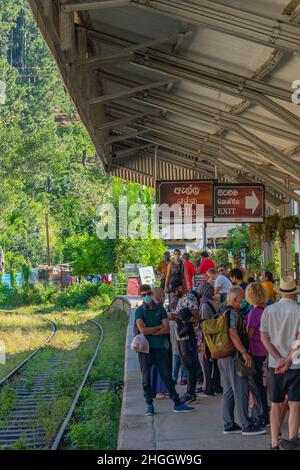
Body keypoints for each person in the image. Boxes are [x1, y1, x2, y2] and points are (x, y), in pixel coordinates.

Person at [135, 284, 194, 415]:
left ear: (152, 293)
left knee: (167, 377)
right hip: (145, 350)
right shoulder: (139, 311)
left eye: (148, 294)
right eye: (143, 295)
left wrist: (150, 331)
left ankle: (177, 403)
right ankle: (149, 404)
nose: (147, 297)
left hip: (160, 348)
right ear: (141, 296)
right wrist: (157, 328)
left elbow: (166, 328)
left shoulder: (160, 308)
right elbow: (142, 330)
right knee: (146, 379)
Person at [218, 286, 267, 436]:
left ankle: (229, 424)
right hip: (234, 357)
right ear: (234, 299)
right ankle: (246, 425)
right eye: (241, 298)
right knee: (241, 390)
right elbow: (233, 334)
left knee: (228, 391)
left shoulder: (222, 311)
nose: (243, 301)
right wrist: (244, 352)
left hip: (223, 356)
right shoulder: (232, 313)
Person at [260, 276, 300, 450]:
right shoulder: (299, 311)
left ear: (280, 292)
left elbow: (264, 338)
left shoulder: (268, 310)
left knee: (275, 404)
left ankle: (275, 442)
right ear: (294, 293)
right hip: (296, 364)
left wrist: (278, 359)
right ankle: (291, 439)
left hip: (274, 365)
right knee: (295, 404)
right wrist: (288, 359)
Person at [169, 279, 200, 404]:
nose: (173, 293)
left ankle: (191, 393)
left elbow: (196, 316)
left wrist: (176, 316)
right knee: (186, 364)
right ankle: (189, 391)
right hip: (181, 336)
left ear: (181, 287)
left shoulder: (189, 298)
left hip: (188, 336)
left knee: (189, 365)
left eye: (175, 290)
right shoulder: (181, 299)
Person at [245, 282, 269, 427]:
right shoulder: (266, 310)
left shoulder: (253, 313)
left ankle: (262, 414)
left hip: (255, 351)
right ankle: (263, 412)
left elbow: (249, 334)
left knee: (256, 385)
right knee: (261, 385)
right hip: (265, 351)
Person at [198, 282, 222, 396]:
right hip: (219, 337)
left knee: (207, 363)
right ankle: (217, 386)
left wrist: (201, 342)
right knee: (216, 363)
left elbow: (203, 324)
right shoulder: (218, 303)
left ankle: (209, 388)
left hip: (208, 338)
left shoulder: (204, 305)